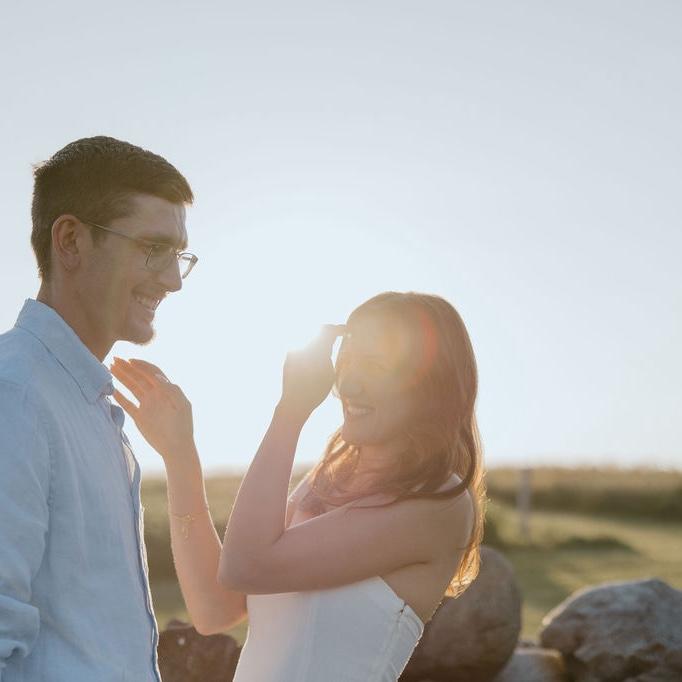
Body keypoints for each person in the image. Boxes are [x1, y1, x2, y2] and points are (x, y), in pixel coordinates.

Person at [111, 291, 486, 682]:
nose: (348, 384)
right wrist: (179, 455)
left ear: (430, 385)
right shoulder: (329, 478)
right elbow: (215, 608)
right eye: (347, 359)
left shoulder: (439, 503)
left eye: (375, 365)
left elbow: (245, 566)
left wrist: (290, 411)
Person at [0, 136, 196, 681]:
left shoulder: (88, 404)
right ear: (71, 241)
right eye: (153, 248)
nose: (174, 280)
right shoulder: (16, 395)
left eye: (179, 255)